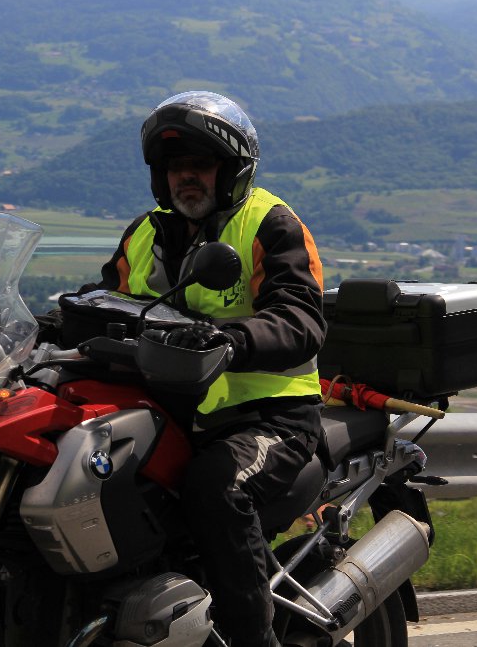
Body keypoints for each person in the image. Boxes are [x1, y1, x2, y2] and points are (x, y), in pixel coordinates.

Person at [94, 91, 326, 646]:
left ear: (232, 170)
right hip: (171, 412)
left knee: (215, 488)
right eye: (175, 167)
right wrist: (49, 324)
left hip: (268, 417)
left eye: (200, 164)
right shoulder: (146, 233)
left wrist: (232, 339)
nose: (186, 177)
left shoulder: (270, 224)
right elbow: (108, 301)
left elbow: (301, 319)